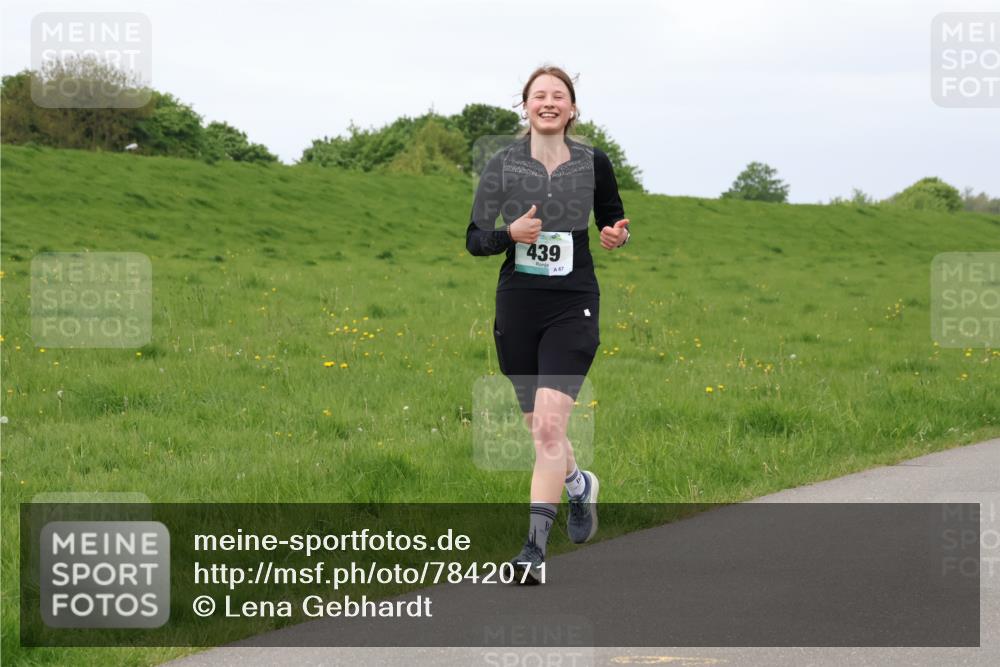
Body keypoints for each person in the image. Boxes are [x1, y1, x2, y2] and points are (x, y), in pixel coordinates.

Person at [465, 65, 631, 584]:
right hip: (518, 305)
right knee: (541, 431)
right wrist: (509, 234)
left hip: (573, 305)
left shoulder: (593, 162)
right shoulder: (504, 164)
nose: (549, 102)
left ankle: (533, 553)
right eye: (540, 95)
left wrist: (616, 236)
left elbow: (613, 219)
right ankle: (578, 484)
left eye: (559, 95)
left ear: (573, 108)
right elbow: (474, 237)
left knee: (552, 426)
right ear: (526, 107)